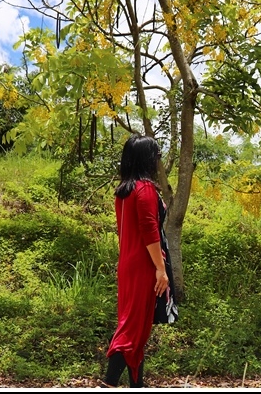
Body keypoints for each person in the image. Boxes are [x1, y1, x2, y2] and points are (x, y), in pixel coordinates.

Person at [102, 134, 169, 388]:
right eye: (156, 156)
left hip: (127, 265)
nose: (157, 160)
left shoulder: (124, 191)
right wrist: (160, 270)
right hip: (144, 266)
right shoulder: (145, 190)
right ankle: (107, 384)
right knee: (131, 332)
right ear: (147, 159)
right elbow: (149, 230)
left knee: (136, 330)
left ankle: (137, 386)